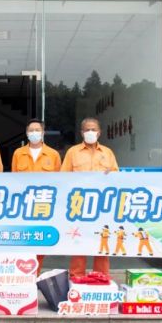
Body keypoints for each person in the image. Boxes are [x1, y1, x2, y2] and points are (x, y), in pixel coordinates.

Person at [61, 117, 119, 277]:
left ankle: (101, 276)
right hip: (79, 204)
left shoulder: (107, 153)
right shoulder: (73, 152)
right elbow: (63, 177)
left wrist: (110, 175)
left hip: (102, 205)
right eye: (87, 129)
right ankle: (76, 276)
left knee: (102, 240)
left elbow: (117, 178)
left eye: (94, 129)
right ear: (82, 132)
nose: (90, 132)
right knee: (78, 240)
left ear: (99, 132)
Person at [11, 118, 62, 275]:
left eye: (37, 130)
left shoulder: (53, 154)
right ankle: (23, 274)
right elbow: (13, 179)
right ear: (27, 133)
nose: (34, 133)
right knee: (24, 238)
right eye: (31, 130)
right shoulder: (18, 153)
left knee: (40, 239)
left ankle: (35, 273)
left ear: (43, 132)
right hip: (23, 204)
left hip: (43, 204)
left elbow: (60, 181)